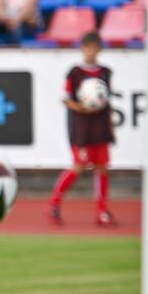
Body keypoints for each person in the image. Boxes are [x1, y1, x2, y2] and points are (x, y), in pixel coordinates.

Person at [48, 32, 115, 227]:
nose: (91, 52)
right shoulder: (74, 73)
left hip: (100, 126)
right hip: (81, 127)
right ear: (82, 49)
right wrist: (81, 108)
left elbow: (106, 101)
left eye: (95, 48)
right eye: (88, 48)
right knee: (79, 166)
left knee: (102, 168)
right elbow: (67, 98)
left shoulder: (105, 72)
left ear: (100, 50)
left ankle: (102, 211)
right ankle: (54, 203)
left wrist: (110, 126)